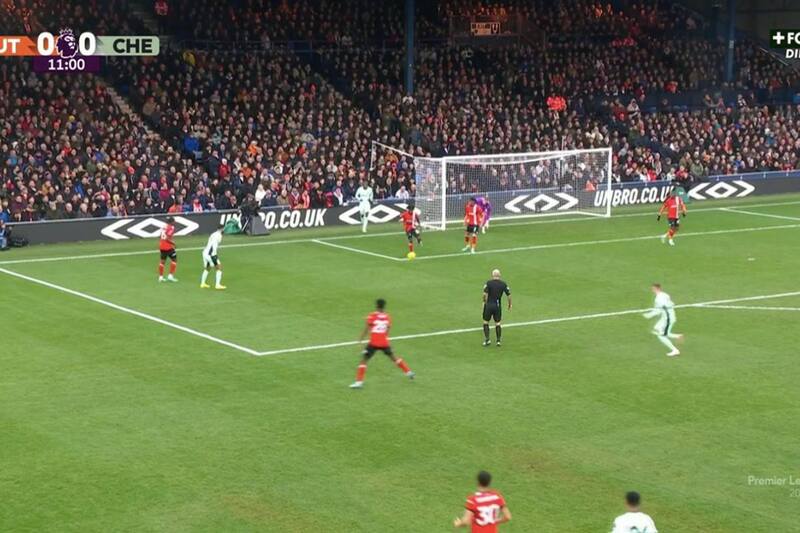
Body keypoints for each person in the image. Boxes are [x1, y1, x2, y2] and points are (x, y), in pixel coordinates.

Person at [350, 299, 415, 389]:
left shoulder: (372, 316)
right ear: (384, 306)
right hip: (384, 342)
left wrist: (360, 340)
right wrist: (384, 338)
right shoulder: (388, 317)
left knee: (364, 360)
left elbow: (367, 329)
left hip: (373, 343)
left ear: (376, 306)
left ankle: (359, 382)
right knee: (393, 357)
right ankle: (409, 372)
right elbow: (387, 330)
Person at [643, 283, 683, 356]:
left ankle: (675, 349)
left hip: (668, 319)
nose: (652, 290)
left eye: (653, 289)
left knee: (661, 335)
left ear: (656, 289)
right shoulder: (665, 294)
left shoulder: (658, 299)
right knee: (655, 329)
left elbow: (658, 311)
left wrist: (648, 315)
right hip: (665, 317)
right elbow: (672, 303)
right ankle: (677, 336)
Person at [483, 269, 512, 347]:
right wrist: (510, 304)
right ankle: (498, 341)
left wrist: (484, 302)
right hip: (497, 306)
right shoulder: (503, 284)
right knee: (497, 323)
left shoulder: (488, 283)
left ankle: (487, 339)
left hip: (489, 305)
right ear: (499, 275)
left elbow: (485, 294)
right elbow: (509, 295)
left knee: (486, 322)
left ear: (492, 275)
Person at [200, 224, 226, 290]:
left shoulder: (213, 234)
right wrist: (214, 254)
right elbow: (214, 245)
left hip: (205, 252)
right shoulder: (219, 235)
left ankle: (202, 283)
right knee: (219, 268)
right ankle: (217, 285)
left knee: (207, 268)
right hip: (211, 254)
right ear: (222, 229)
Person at [158, 216, 178, 283]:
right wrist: (173, 243)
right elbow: (167, 238)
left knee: (162, 261)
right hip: (168, 247)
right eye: (174, 221)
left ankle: (160, 277)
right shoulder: (171, 227)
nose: (174, 222)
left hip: (161, 246)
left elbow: (160, 235)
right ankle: (170, 276)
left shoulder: (164, 226)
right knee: (174, 259)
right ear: (171, 222)